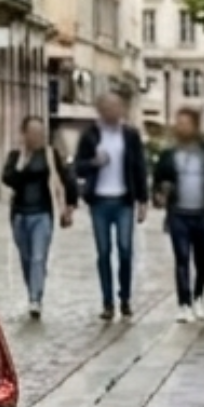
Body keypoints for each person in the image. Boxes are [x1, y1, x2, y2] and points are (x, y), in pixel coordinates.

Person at [74, 92, 149, 322]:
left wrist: (143, 200)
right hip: (99, 201)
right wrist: (93, 163)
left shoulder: (130, 135)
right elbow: (78, 167)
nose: (112, 111)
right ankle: (107, 302)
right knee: (104, 253)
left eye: (116, 107)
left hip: (124, 200)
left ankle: (124, 298)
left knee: (125, 251)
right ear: (99, 110)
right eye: (107, 107)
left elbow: (139, 167)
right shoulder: (90, 135)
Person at [152, 107, 204, 322]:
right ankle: (184, 303)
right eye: (179, 123)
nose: (182, 126)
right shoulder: (169, 153)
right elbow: (158, 180)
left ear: (194, 126)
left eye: (186, 123)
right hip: (179, 214)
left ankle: (198, 297)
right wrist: (159, 196)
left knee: (203, 259)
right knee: (182, 258)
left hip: (203, 214)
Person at [1, 118, 74, 320]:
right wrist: (22, 163)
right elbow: (8, 179)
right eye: (33, 133)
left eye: (41, 133)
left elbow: (65, 179)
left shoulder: (50, 155)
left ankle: (35, 299)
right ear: (24, 134)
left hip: (42, 214)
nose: (38, 137)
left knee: (38, 257)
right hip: (19, 215)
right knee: (26, 258)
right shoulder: (15, 156)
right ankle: (32, 290)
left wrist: (69, 205)